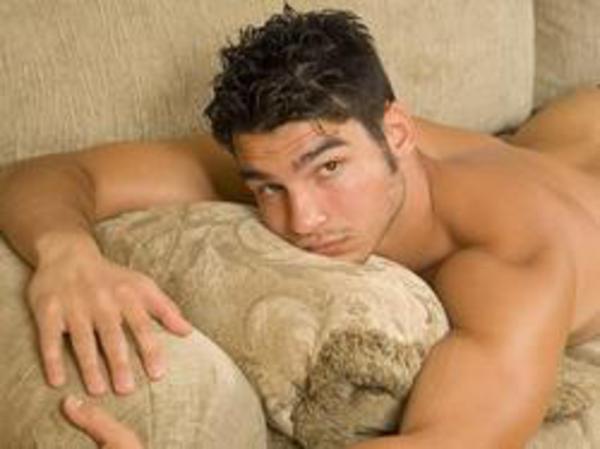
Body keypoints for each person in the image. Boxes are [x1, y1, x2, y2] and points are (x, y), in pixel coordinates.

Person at [1, 6, 600, 449]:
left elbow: (451, 442)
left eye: (330, 169)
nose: (303, 219)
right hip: (563, 134)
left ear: (397, 132)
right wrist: (66, 255)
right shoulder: (292, 147)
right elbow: (42, 174)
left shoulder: (515, 257)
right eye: (267, 187)